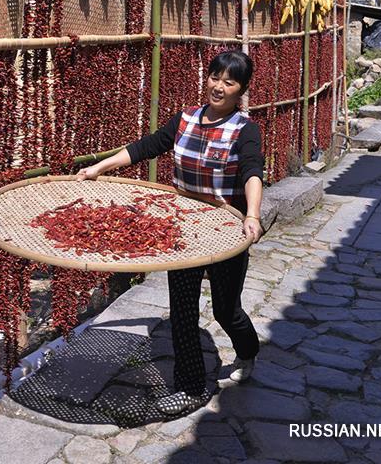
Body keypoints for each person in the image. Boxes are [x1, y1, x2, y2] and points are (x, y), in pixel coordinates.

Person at [77, 50, 264, 418]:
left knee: (227, 310)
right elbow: (144, 148)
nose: (218, 86)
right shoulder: (185, 120)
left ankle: (247, 351)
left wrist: (253, 215)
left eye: (229, 81)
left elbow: (252, 172)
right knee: (181, 310)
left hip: (226, 231)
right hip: (183, 228)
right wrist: (100, 167)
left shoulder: (245, 130)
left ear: (241, 90)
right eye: (214, 77)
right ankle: (191, 387)